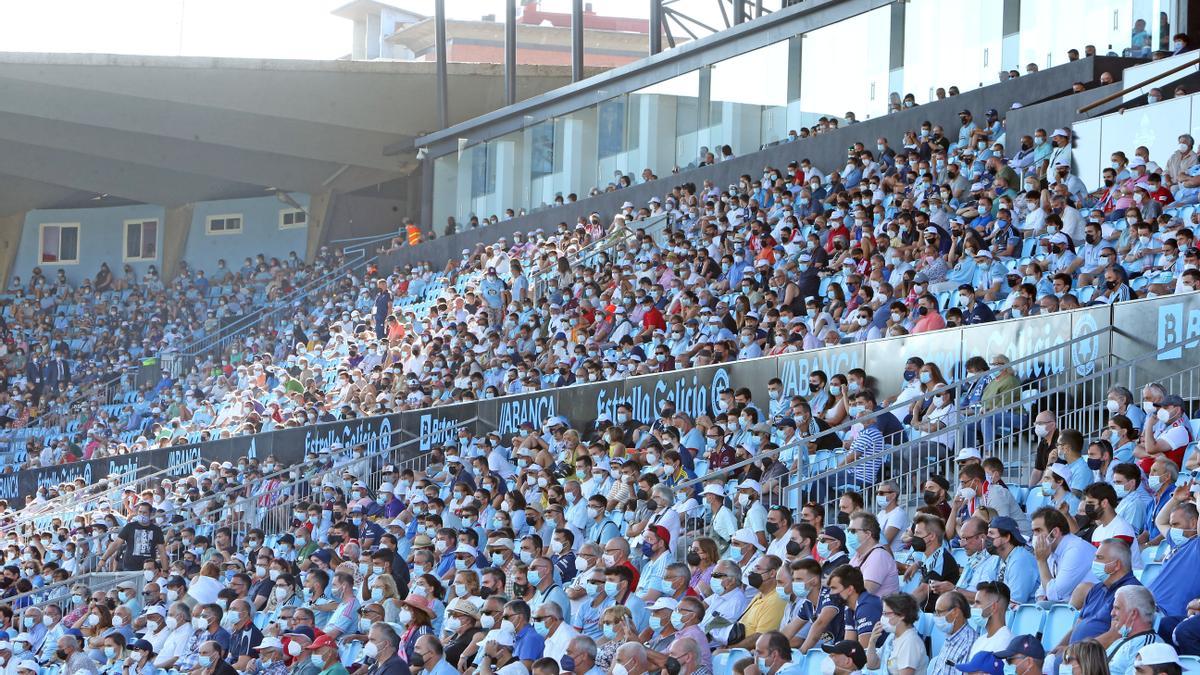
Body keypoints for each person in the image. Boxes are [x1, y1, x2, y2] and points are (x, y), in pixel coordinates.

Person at [864, 593, 927, 674]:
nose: (882, 617)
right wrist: (872, 641)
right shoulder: (892, 636)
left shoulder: (910, 643)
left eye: (886, 614)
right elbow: (873, 665)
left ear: (902, 615)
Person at [100, 502, 167, 572]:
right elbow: (116, 544)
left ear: (150, 514)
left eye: (144, 513)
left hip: (148, 568)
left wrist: (165, 570)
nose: (141, 514)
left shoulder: (156, 530)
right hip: (129, 567)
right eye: (140, 512)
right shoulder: (130, 526)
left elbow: (162, 552)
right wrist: (103, 559)